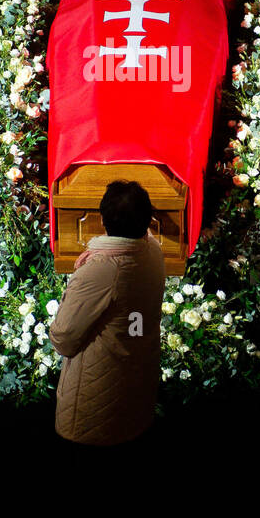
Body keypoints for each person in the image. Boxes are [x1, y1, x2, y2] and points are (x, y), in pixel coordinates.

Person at [49, 180, 166, 459]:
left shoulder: (102, 269)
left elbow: (64, 338)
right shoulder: (153, 251)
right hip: (137, 384)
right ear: (149, 219)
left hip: (97, 397)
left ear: (101, 220)